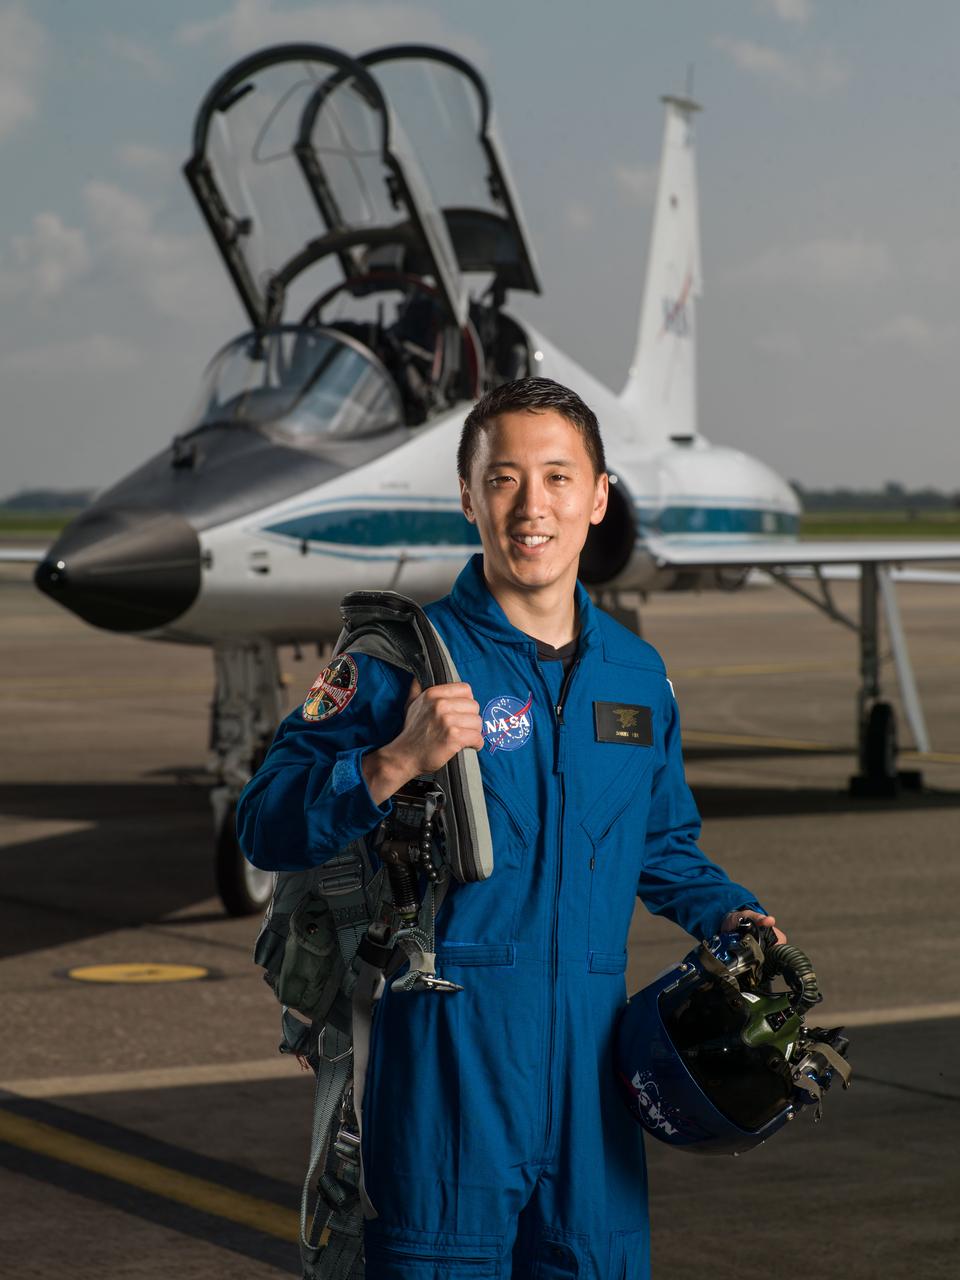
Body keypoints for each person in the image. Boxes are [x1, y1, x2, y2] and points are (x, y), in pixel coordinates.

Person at [238, 377, 784, 1280]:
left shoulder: (638, 677)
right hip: (446, 1078)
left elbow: (660, 845)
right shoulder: (395, 663)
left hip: (595, 1088)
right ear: (467, 496)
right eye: (503, 478)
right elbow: (265, 823)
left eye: (559, 477)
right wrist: (389, 764)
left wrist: (730, 914)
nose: (533, 507)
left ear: (599, 496)